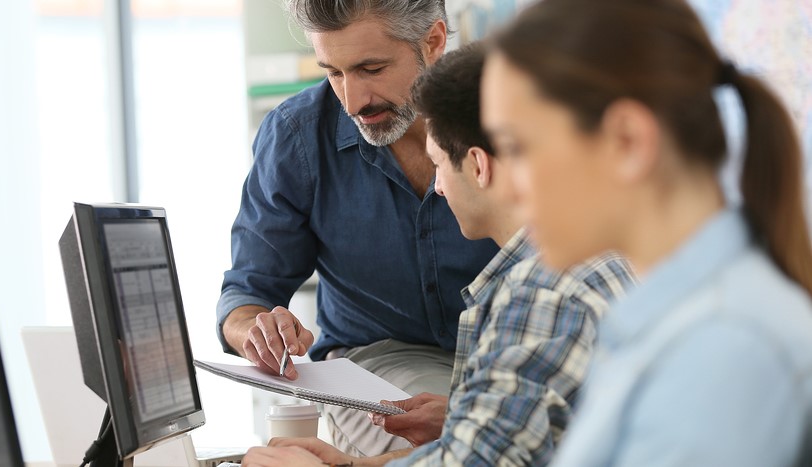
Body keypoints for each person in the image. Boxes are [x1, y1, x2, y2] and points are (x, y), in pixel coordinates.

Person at [239, 42, 635, 467]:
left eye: (439, 165)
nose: (438, 189)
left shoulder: (537, 295)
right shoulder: (602, 263)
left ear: (479, 166)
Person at [477, 0, 812, 465]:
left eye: (517, 147)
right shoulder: (674, 319)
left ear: (628, 142)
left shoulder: (726, 350)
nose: (505, 187)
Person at [217, 0, 498, 456]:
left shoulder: (511, 119)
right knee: (450, 443)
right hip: (379, 360)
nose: (352, 101)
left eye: (371, 68)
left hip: (509, 352)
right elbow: (248, 290)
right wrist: (257, 331)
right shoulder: (297, 136)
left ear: (434, 41)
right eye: (333, 72)